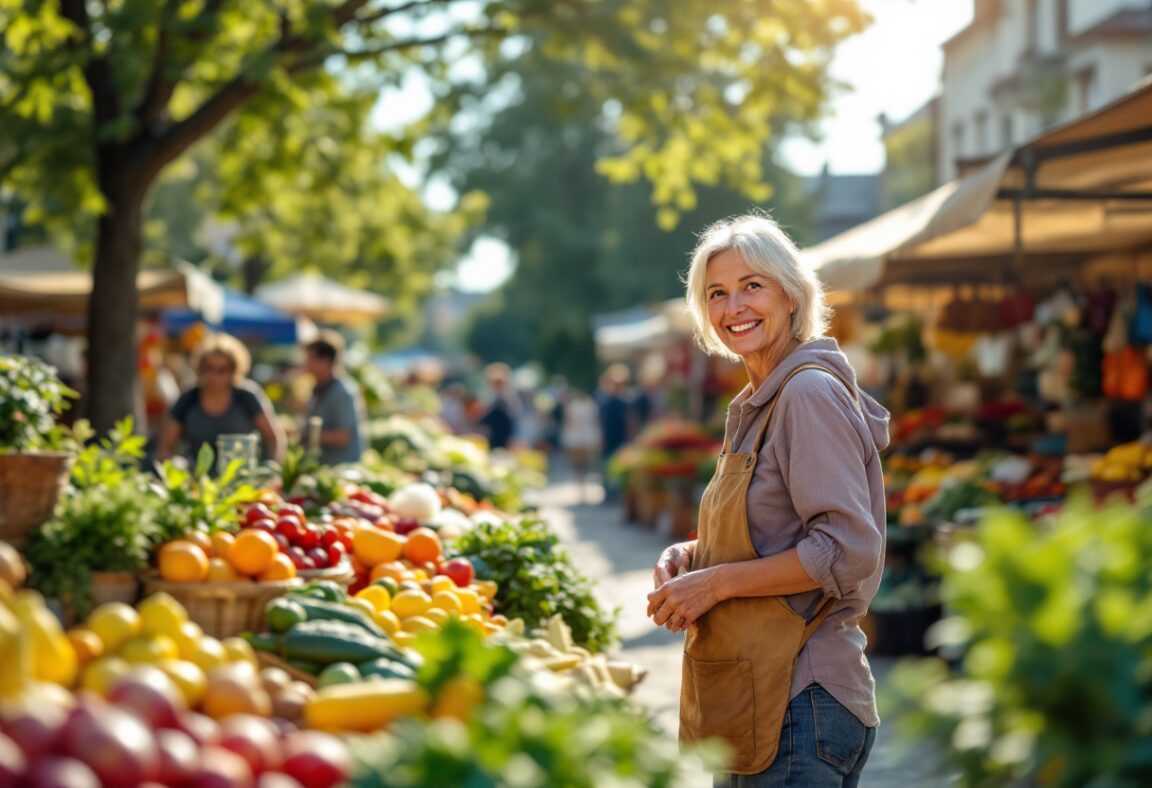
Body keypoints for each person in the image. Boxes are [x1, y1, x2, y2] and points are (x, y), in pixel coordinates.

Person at [645, 213, 889, 787]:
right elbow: (778, 532)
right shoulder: (760, 400)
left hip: (799, 699)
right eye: (717, 294)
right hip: (759, 694)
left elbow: (846, 549)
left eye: (752, 286)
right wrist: (697, 554)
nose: (735, 307)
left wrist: (716, 583)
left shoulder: (805, 393)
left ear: (790, 294)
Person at [157, 333, 286, 465]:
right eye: (210, 368)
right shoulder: (188, 399)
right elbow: (166, 446)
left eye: (222, 370)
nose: (215, 376)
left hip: (242, 478)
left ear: (234, 370)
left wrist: (272, 469)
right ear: (201, 367)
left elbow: (274, 438)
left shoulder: (248, 396)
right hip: (197, 479)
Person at [302, 331, 366, 466]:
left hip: (343, 468)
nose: (306, 363)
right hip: (326, 465)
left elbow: (343, 436)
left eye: (310, 359)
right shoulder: (319, 388)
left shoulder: (342, 391)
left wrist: (307, 436)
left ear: (325, 360)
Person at [560, 389, 601, 499]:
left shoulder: (590, 405)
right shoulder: (576, 406)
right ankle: (581, 484)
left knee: (584, 463)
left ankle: (583, 484)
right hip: (580, 437)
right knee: (579, 463)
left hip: (584, 437)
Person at [477, 363, 520, 450]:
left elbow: (515, 415)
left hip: (504, 434)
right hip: (489, 433)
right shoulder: (489, 394)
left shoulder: (509, 396)